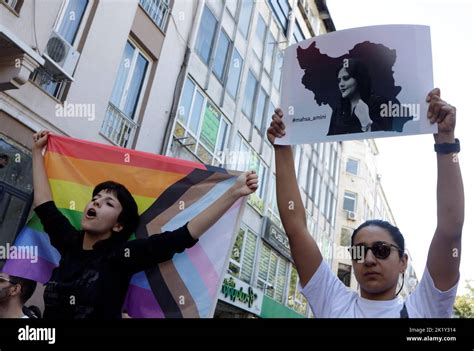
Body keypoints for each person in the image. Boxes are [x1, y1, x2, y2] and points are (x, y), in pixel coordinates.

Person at [268, 88, 463, 317]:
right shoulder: (333, 302)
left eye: (381, 250)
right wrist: (282, 148)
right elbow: (295, 228)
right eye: (359, 252)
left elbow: (450, 229)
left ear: (403, 261)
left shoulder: (425, 308)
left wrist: (447, 142)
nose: (369, 260)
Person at [32, 131, 259, 319]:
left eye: (108, 203)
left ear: (119, 226)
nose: (96, 202)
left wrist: (234, 192)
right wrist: (36, 152)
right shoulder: (69, 244)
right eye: (95, 199)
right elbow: (43, 204)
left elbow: (184, 235)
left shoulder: (121, 256)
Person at [327, 59, 411, 135]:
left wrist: (366, 121)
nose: (341, 84)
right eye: (339, 80)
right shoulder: (338, 111)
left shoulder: (379, 103)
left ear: (358, 78)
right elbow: (330, 136)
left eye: (346, 78)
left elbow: (387, 134)